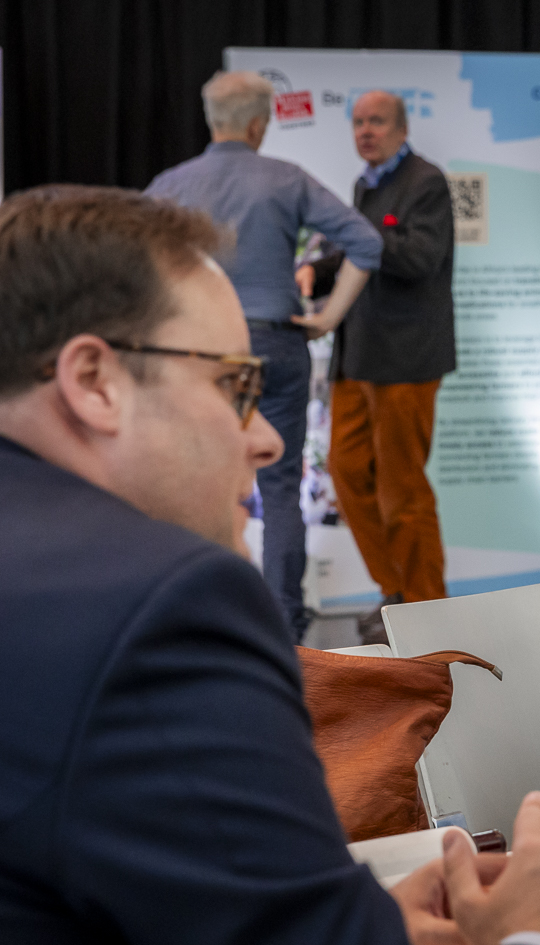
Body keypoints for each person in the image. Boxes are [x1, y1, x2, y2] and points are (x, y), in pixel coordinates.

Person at [0, 185, 540, 945]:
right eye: (233, 384)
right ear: (95, 383)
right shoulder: (167, 607)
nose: (265, 439)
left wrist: (369, 922)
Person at [146, 70, 384, 642]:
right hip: (277, 343)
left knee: (191, 480)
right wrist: (328, 317)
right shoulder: (286, 178)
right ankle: (284, 628)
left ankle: (201, 618)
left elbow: (136, 266)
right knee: (280, 490)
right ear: (259, 124)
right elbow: (367, 242)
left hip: (202, 352)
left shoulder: (170, 185)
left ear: (212, 120)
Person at [296, 90, 456, 645]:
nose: (366, 130)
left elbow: (420, 257)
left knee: (402, 490)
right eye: (359, 121)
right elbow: (356, 253)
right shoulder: (365, 185)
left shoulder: (426, 181)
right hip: (356, 357)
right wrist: (319, 270)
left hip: (405, 360)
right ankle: (395, 589)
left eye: (377, 121)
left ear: (401, 128)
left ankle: (427, 608)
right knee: (345, 473)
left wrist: (361, 235)